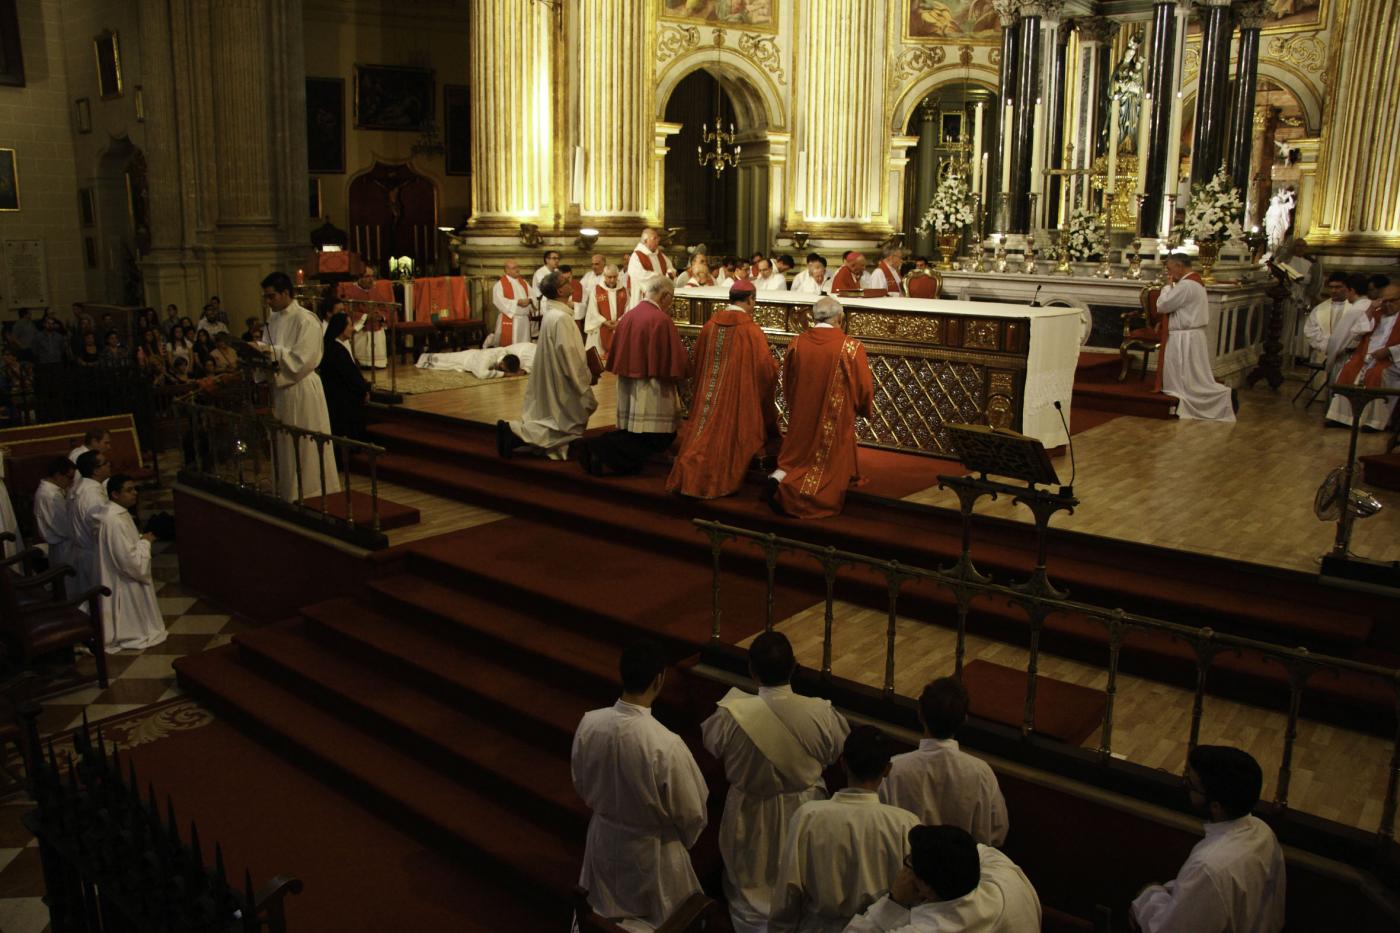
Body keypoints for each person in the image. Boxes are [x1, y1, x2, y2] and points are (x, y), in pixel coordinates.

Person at [701, 631, 850, 933]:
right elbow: (838, 751)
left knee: (751, 881)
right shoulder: (821, 713)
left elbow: (712, 745)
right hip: (804, 811)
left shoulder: (731, 715)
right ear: (794, 666)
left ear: (751, 670)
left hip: (750, 813)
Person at [572, 640, 709, 930]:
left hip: (604, 838)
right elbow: (692, 812)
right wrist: (679, 840)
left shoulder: (589, 724)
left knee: (603, 917)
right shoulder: (665, 744)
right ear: (659, 679)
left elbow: (581, 783)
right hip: (651, 852)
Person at [768, 725, 921, 933]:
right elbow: (915, 896)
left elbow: (787, 893)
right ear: (887, 769)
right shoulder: (906, 824)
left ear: (842, 764)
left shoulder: (808, 816)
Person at [1130, 745, 1285, 932]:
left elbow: (1167, 929)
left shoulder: (1209, 867)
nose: (1187, 787)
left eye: (1191, 785)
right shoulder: (1264, 832)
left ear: (1216, 806)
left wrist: (1148, 895)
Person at [667, 281, 779, 499]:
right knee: (727, 437)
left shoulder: (710, 325)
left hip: (707, 396)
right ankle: (705, 479)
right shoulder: (751, 331)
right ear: (750, 299)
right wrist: (774, 368)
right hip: (735, 398)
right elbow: (765, 370)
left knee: (702, 433)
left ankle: (688, 471)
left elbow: (697, 359)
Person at [765, 297, 874, 519]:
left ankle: (778, 477)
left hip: (802, 412)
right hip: (833, 418)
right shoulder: (851, 347)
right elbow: (863, 385)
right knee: (822, 465)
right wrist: (863, 407)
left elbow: (788, 380)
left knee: (797, 453)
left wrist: (795, 404)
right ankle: (798, 495)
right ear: (839, 318)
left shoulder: (797, 342)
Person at [576, 276, 686, 477]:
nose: (671, 304)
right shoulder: (661, 319)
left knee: (633, 430)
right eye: (671, 299)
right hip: (652, 386)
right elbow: (672, 360)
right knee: (655, 434)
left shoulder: (628, 316)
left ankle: (601, 451)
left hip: (628, 384)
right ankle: (598, 449)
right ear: (665, 296)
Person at [880, 677, 1008, 847]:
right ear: (964, 720)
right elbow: (998, 832)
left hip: (910, 861)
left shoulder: (894, 769)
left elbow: (881, 828)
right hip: (963, 863)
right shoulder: (982, 773)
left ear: (920, 715)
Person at [843, 825, 1041, 933]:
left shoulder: (933, 927)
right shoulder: (1002, 871)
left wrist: (893, 902)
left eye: (909, 863)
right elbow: (975, 850)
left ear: (926, 888)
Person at [497, 272, 597, 461]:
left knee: (555, 417)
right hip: (563, 378)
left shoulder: (553, 314)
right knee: (565, 420)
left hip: (554, 374)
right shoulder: (561, 318)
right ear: (560, 291)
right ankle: (515, 432)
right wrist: (584, 380)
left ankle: (516, 435)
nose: (570, 282)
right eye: (566, 281)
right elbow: (570, 355)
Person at [260, 271, 340, 501]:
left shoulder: (306, 319)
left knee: (305, 443)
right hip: (281, 388)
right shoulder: (272, 319)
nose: (268, 301)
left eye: (271, 296)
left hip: (302, 386)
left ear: (286, 293)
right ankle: (287, 490)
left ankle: (311, 491)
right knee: (284, 444)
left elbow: (303, 359)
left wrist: (270, 352)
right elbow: (269, 351)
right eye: (266, 297)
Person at [1156, 254, 1236, 422]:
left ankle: (1220, 397)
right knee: (1191, 377)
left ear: (1179, 266)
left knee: (1187, 381)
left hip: (1184, 338)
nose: (1169, 273)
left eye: (1169, 269)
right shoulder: (1195, 282)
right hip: (1190, 336)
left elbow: (1163, 305)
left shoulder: (1186, 285)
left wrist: (1167, 287)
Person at [96, 474, 166, 653]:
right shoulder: (114, 520)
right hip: (125, 579)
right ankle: (130, 633)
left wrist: (139, 539)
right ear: (115, 494)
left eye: (135, 489)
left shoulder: (116, 513)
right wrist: (146, 542)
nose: (135, 493)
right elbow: (129, 561)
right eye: (129, 490)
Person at [1327, 282, 1400, 431]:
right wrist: (1371, 309)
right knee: (1348, 369)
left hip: (1392, 359)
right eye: (1384, 301)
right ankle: (1342, 417)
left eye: (1392, 301)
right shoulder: (1377, 313)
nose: (1387, 305)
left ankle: (1374, 422)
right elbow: (1358, 331)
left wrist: (1389, 351)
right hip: (1367, 357)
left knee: (1378, 374)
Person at [318, 313, 371, 448]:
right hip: (343, 399)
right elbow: (349, 375)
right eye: (350, 325)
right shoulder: (337, 349)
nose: (352, 329)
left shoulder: (331, 346)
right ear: (341, 327)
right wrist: (364, 389)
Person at [70, 451, 110, 606]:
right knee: (98, 603)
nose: (109, 465)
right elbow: (100, 527)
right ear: (96, 470)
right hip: (93, 553)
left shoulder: (83, 486)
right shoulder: (92, 495)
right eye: (105, 463)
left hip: (85, 551)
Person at [34, 456, 76, 572]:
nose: (71, 482)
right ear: (58, 475)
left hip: (63, 546)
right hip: (63, 548)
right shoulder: (50, 495)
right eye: (70, 477)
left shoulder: (52, 491)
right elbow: (64, 527)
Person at [1302, 272, 1352, 364]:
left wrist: (1340, 347)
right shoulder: (1319, 309)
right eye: (1331, 287)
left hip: (1345, 356)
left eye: (1338, 287)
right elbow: (1310, 330)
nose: (1333, 290)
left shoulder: (1354, 308)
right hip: (1322, 354)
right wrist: (1325, 346)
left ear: (1348, 287)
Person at [583, 264, 628, 358]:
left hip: (619, 327)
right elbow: (592, 309)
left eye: (614, 277)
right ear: (604, 276)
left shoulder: (624, 290)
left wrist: (619, 321)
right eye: (609, 277)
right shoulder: (596, 290)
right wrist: (604, 321)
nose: (612, 280)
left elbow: (628, 308)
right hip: (600, 327)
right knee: (599, 357)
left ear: (618, 276)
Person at [488, 259, 535, 348]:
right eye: (514, 268)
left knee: (524, 347)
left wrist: (529, 300)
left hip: (524, 321)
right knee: (510, 347)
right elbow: (498, 301)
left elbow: (533, 295)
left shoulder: (523, 282)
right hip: (511, 319)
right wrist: (517, 302)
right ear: (507, 271)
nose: (517, 270)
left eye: (518, 267)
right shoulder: (500, 284)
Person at [417, 343, 535, 378]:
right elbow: (482, 374)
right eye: (504, 369)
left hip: (474, 356)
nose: (503, 370)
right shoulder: (488, 357)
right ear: (502, 363)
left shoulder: (506, 354)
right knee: (445, 359)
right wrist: (505, 375)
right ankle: (422, 358)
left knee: (445, 361)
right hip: (467, 358)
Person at [626, 228, 672, 309]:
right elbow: (640, 276)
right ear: (645, 241)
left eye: (658, 238)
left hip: (661, 299)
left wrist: (670, 273)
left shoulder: (659, 255)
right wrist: (661, 278)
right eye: (654, 238)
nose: (658, 240)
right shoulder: (636, 256)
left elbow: (670, 268)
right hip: (642, 299)